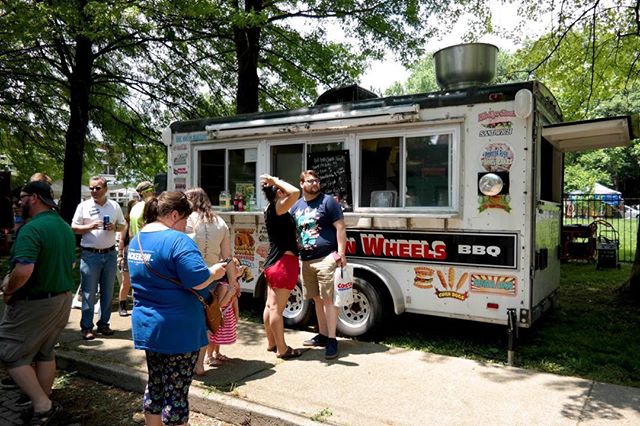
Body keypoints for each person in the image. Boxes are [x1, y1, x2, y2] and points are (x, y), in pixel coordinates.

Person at [128, 191, 228, 426]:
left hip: (148, 326)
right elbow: (197, 278)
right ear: (174, 215)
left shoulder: (137, 239)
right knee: (176, 393)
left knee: (156, 385)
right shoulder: (178, 240)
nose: (186, 226)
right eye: (185, 220)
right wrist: (215, 271)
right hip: (179, 330)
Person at [0, 181, 75, 425]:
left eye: (21, 197)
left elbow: (24, 269)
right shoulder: (63, 226)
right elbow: (71, 263)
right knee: (45, 351)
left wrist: (9, 291)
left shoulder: (32, 229)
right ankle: (42, 402)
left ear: (34, 198)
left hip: (35, 302)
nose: (18, 202)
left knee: (10, 352)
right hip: (62, 299)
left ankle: (43, 406)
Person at [291, 170, 347, 360]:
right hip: (306, 260)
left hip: (326, 258)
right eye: (310, 180)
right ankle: (322, 335)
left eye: (317, 180)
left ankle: (332, 339)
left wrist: (341, 253)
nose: (315, 183)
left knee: (328, 299)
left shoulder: (328, 201)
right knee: (316, 299)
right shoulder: (296, 207)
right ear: (301, 184)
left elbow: (340, 227)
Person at [184, 187, 240, 374]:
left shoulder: (188, 221)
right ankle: (199, 364)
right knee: (206, 321)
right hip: (212, 278)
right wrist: (233, 283)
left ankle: (188, 361)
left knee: (187, 320)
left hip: (189, 277)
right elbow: (227, 257)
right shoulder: (221, 223)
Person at [71, 176, 125, 340]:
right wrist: (89, 226)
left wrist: (114, 227)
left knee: (108, 292)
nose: (94, 191)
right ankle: (87, 327)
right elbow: (73, 227)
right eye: (91, 188)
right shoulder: (84, 206)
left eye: (97, 188)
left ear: (105, 189)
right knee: (89, 292)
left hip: (109, 254)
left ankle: (104, 324)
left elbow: (123, 225)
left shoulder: (114, 206)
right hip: (90, 255)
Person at [259, 174, 303, 359]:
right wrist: (275, 180)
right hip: (283, 264)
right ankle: (282, 349)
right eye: (280, 188)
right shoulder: (277, 207)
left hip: (274, 262)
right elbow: (296, 192)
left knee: (270, 306)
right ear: (277, 191)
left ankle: (272, 343)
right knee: (277, 308)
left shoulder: (272, 208)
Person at [206, 258, 243, 367]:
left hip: (227, 314)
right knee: (214, 337)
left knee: (219, 337)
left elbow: (235, 300)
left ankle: (217, 353)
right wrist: (230, 293)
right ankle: (209, 356)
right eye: (236, 266)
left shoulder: (234, 284)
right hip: (220, 315)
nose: (240, 267)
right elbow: (220, 305)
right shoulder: (223, 286)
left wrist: (236, 314)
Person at [116, 199, 137, 316]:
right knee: (126, 282)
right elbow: (122, 239)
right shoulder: (126, 221)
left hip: (139, 252)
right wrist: (120, 254)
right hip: (127, 253)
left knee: (137, 281)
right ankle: (122, 305)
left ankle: (136, 305)